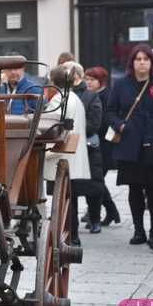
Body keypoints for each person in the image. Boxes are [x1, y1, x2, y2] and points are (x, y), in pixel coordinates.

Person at [106, 44, 153, 247]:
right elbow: (110, 111)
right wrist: (120, 125)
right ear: (131, 62)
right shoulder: (121, 84)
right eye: (138, 59)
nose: (142, 62)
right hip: (129, 143)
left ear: (152, 62)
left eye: (146, 59)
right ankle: (139, 230)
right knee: (134, 189)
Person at [42, 65, 101, 247]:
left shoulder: (61, 99)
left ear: (54, 82)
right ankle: (72, 236)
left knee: (68, 201)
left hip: (63, 155)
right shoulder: (72, 97)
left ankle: (72, 236)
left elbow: (49, 125)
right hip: (71, 154)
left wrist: (44, 150)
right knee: (70, 200)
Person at [64, 61, 104, 234]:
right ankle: (71, 226)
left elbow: (95, 122)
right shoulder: (62, 94)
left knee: (93, 188)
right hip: (67, 146)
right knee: (70, 189)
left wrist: (73, 129)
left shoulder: (90, 96)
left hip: (88, 147)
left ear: (76, 75)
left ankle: (95, 219)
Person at [84, 66, 120, 226]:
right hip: (95, 143)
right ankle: (111, 212)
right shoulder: (91, 95)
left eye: (92, 79)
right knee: (97, 181)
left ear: (101, 81)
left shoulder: (106, 96)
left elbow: (105, 121)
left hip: (105, 144)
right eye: (87, 79)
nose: (89, 82)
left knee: (96, 181)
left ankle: (108, 212)